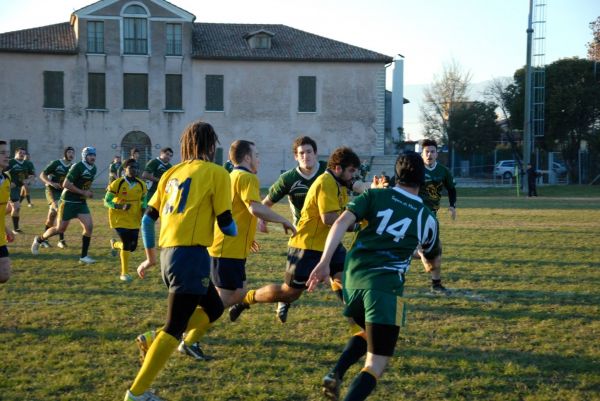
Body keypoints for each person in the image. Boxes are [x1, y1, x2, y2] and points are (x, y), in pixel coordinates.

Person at [306, 151, 440, 401]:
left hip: (352, 281)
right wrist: (427, 262)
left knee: (367, 332)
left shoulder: (374, 195)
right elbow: (431, 257)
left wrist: (324, 262)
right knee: (375, 363)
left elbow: (340, 223)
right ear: (422, 179)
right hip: (384, 289)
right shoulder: (427, 217)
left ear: (396, 175)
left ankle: (335, 373)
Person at [124, 121, 236, 401]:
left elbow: (147, 220)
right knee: (174, 327)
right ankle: (136, 394)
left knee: (213, 307)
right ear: (211, 145)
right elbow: (227, 225)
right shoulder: (217, 173)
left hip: (169, 255)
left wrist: (150, 258)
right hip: (191, 255)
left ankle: (153, 338)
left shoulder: (170, 173)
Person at [228, 147, 361, 323]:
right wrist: (358, 225)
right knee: (289, 293)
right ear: (338, 168)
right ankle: (247, 299)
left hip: (330, 243)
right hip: (306, 246)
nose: (353, 176)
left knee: (347, 280)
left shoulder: (339, 183)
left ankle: (360, 329)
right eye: (351, 171)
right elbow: (329, 219)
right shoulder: (326, 182)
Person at [257, 135, 327, 322]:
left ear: (316, 153)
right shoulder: (288, 178)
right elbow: (267, 202)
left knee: (338, 275)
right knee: (292, 290)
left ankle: (358, 326)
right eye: (301, 153)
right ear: (296, 157)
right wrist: (261, 219)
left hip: (329, 233)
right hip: (303, 237)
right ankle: (280, 299)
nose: (306, 156)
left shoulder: (328, 172)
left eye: (309, 152)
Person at [31, 146, 98, 264]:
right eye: (90, 155)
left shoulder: (94, 169)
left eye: (94, 155)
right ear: (85, 156)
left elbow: (84, 185)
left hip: (81, 203)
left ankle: (83, 257)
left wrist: (88, 192)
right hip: (67, 202)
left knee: (89, 227)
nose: (93, 157)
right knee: (60, 228)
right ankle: (39, 239)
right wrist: (83, 192)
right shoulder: (77, 166)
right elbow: (66, 184)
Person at [419, 138, 456, 294]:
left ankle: (436, 283)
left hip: (432, 216)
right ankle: (422, 256)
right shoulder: (416, 169)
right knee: (420, 246)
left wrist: (452, 206)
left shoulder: (443, 171)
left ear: (437, 154)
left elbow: (451, 189)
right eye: (426, 152)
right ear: (422, 154)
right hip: (417, 213)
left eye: (432, 151)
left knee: (437, 250)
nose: (429, 154)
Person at [105, 158, 148, 282]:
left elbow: (144, 200)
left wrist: (144, 210)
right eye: (131, 167)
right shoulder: (117, 183)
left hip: (134, 218)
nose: (134, 170)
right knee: (127, 243)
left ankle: (114, 244)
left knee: (132, 246)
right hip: (119, 218)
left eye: (136, 167)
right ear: (125, 169)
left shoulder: (141, 184)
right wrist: (119, 206)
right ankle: (124, 273)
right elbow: (107, 201)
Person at [38, 146, 75, 249]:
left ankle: (43, 240)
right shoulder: (56, 163)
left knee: (51, 216)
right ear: (65, 154)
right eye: (69, 152)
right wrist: (51, 183)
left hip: (63, 193)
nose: (71, 154)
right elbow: (42, 175)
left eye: (73, 153)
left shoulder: (73, 167)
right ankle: (61, 241)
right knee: (60, 211)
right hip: (52, 191)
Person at [5, 147, 35, 234]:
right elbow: (2, 173)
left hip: (19, 188)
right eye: (20, 152)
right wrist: (8, 183)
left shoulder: (28, 164)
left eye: (23, 153)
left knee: (10, 209)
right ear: (16, 153)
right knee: (17, 207)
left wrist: (28, 180)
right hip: (11, 188)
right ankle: (16, 229)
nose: (22, 154)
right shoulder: (10, 162)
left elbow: (32, 175)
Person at [0, 141, 15, 284]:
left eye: (7, 153)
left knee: (4, 274)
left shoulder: (6, 179)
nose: (6, 156)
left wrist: (6, 229)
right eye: (2, 153)